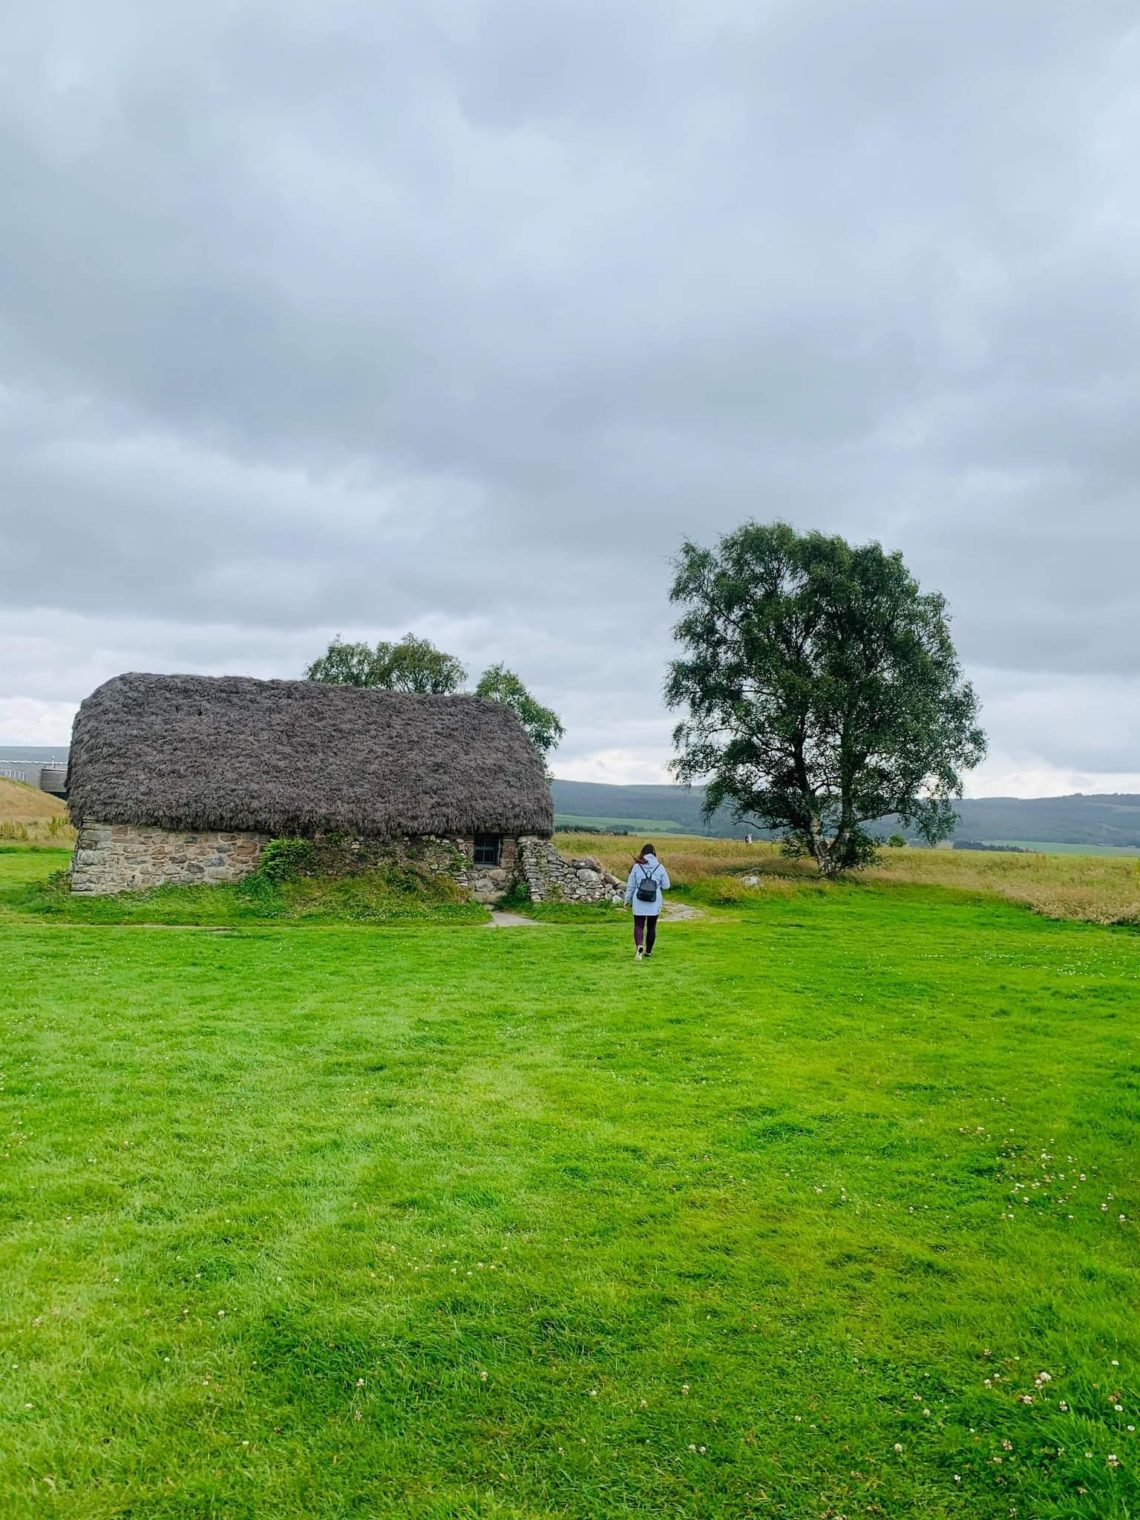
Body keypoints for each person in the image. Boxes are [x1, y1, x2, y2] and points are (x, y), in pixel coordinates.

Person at [623, 842, 671, 961]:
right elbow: (666, 885)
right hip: (654, 901)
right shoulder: (660, 867)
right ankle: (648, 951)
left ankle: (639, 945)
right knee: (651, 926)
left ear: (642, 853)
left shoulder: (636, 867)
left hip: (639, 899)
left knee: (638, 925)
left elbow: (631, 886)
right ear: (654, 854)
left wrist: (627, 900)